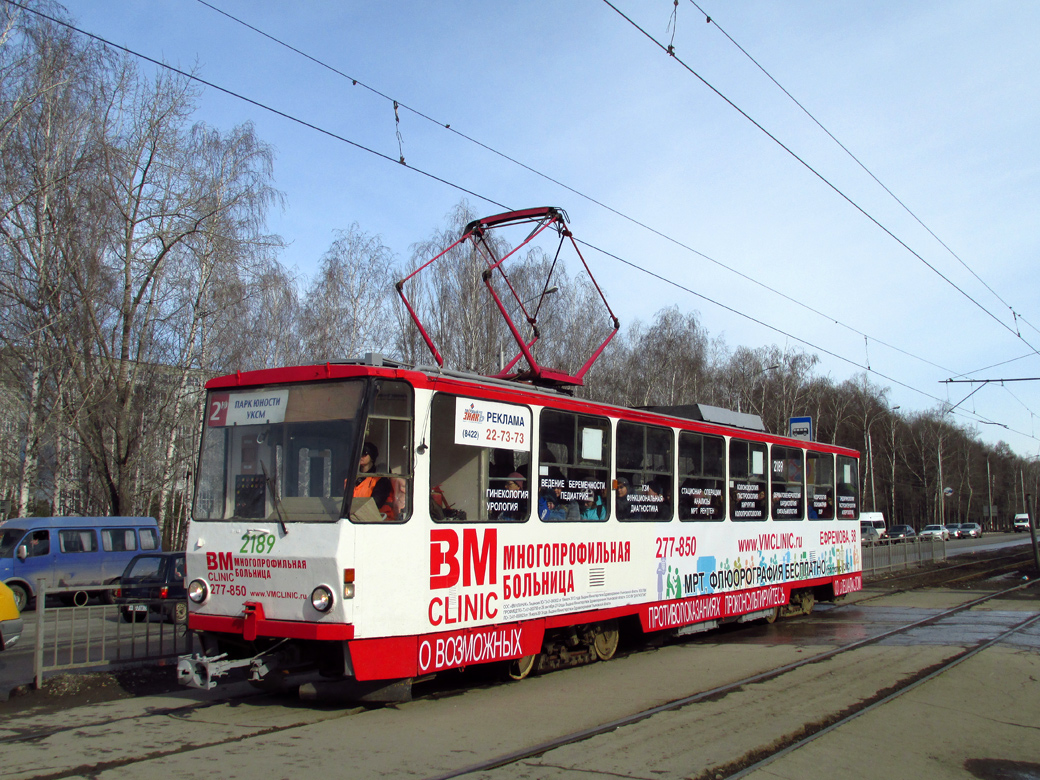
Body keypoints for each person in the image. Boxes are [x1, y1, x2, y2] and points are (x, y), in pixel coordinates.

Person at [353, 442, 394, 519]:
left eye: (364, 453)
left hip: (376, 519)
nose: (360, 456)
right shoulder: (350, 478)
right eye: (358, 453)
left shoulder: (381, 480)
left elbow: (376, 503)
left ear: (372, 457)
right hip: (354, 517)